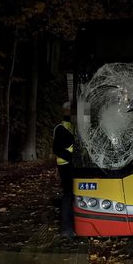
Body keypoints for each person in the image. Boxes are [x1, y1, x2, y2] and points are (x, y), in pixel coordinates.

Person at [53, 102, 75, 238]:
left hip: (73, 165)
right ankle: (66, 228)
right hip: (66, 166)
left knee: (73, 194)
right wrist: (72, 158)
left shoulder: (72, 126)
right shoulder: (61, 128)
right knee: (68, 194)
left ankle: (73, 225)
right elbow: (57, 149)